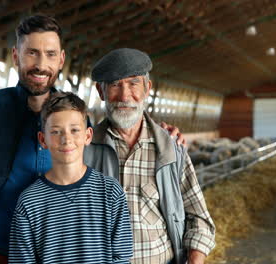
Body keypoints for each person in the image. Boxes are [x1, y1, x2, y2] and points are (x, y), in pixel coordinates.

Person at [0, 14, 183, 264]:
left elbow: (117, 134)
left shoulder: (77, 120)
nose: (41, 65)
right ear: (16, 56)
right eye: (32, 53)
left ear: (61, 60)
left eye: (50, 55)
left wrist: (159, 133)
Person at [84, 48, 216, 264]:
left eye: (133, 83)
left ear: (147, 89)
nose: (125, 96)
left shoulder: (171, 150)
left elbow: (199, 218)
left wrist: (194, 260)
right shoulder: (84, 150)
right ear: (101, 91)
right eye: (115, 85)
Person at [8, 92, 133, 263]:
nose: (66, 139)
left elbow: (122, 257)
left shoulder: (110, 192)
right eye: (56, 131)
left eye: (74, 130)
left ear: (87, 136)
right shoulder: (29, 202)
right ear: (43, 140)